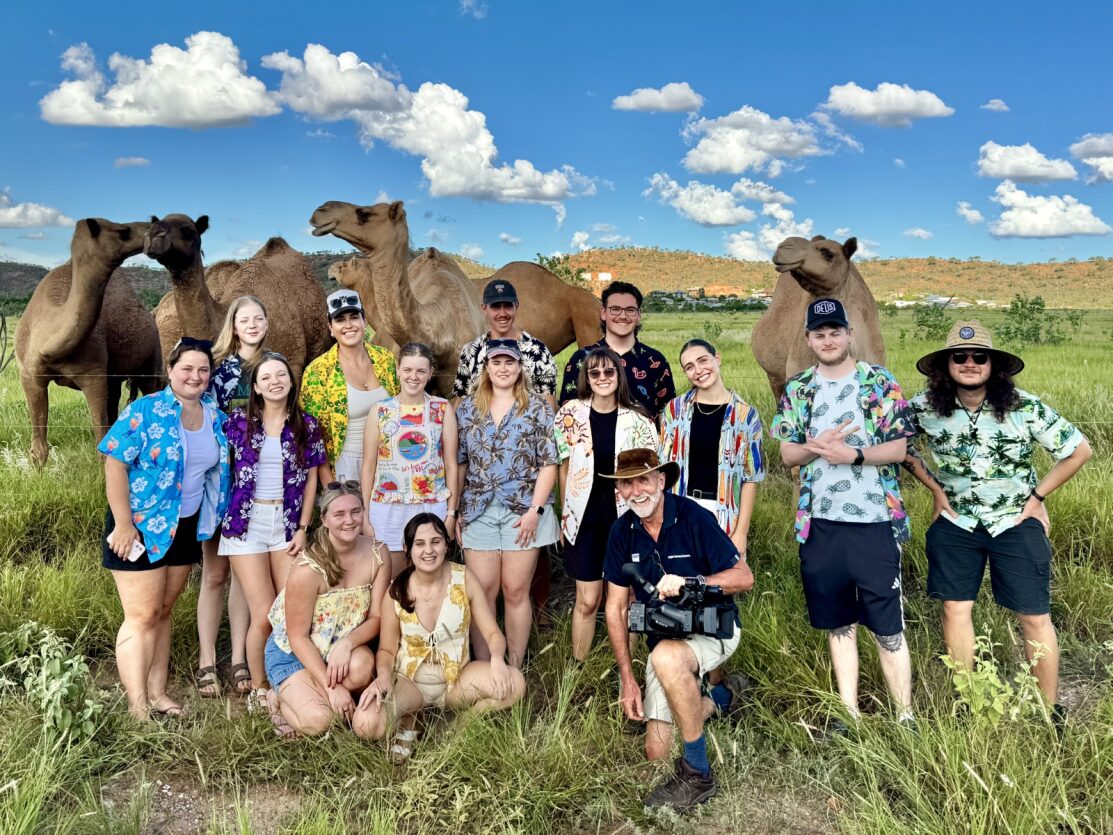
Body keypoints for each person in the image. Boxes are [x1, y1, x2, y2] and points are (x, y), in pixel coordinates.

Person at [903, 321, 1091, 713]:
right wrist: (934, 488)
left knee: (1034, 616)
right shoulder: (923, 408)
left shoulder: (1024, 406)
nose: (969, 363)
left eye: (979, 357)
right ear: (945, 365)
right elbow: (896, 445)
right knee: (955, 609)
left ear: (994, 365)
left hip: (1015, 522)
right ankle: (968, 701)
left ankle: (1049, 709)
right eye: (960, 356)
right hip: (956, 522)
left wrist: (1038, 496)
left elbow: (1078, 450)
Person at [770, 298, 916, 732]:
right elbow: (787, 455)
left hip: (874, 519)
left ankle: (904, 714)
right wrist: (817, 445)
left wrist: (850, 453)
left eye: (836, 331)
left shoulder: (879, 382)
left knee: (887, 623)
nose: (828, 339)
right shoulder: (798, 389)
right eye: (820, 333)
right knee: (838, 622)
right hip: (820, 521)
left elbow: (898, 448)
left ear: (849, 335)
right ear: (809, 339)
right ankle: (848, 712)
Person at [603, 449, 753, 813]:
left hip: (713, 629)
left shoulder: (694, 518)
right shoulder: (622, 531)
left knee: (666, 658)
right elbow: (616, 607)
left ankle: (697, 773)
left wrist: (692, 582)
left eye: (643, 479)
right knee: (656, 752)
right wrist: (627, 678)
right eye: (626, 483)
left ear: (661, 480)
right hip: (665, 638)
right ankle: (722, 697)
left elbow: (743, 577)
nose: (636, 490)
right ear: (619, 490)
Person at [99, 337, 230, 719]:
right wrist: (123, 523)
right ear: (171, 370)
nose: (195, 376)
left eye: (203, 370)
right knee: (141, 616)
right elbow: (114, 464)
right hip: (139, 526)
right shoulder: (145, 410)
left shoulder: (214, 415)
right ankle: (137, 706)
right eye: (187, 368)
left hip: (185, 525)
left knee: (164, 611)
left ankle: (157, 692)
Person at [356, 514, 526, 763]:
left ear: (447, 545)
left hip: (456, 679)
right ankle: (412, 717)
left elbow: (492, 633)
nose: (429, 550)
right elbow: (386, 651)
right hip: (410, 682)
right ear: (407, 549)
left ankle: (458, 725)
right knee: (365, 724)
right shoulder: (396, 590)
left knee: (516, 683)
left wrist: (498, 659)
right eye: (420, 544)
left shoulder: (464, 578)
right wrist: (382, 679)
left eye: (436, 541)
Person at [220, 352, 327, 710]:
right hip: (244, 526)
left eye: (281, 375)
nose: (274, 381)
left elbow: (312, 479)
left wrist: (303, 528)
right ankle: (259, 688)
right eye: (266, 377)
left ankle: (288, 680)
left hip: (286, 524)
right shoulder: (237, 422)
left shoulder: (306, 425)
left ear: (291, 381)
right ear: (256, 387)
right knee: (264, 611)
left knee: (289, 609)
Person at [456, 339, 559, 667]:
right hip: (478, 510)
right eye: (496, 362)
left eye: (509, 363)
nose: (503, 368)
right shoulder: (469, 409)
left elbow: (549, 462)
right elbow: (460, 462)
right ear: (486, 367)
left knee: (515, 590)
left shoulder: (538, 407)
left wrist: (535, 512)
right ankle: (487, 666)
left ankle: (514, 665)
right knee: (483, 591)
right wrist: (456, 510)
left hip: (523, 511)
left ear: (519, 368)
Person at [554, 346, 657, 661]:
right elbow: (564, 466)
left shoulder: (638, 420)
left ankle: (630, 665)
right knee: (587, 600)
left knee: (625, 599)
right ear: (586, 377)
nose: (601, 378)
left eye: (608, 372)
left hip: (626, 519)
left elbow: (651, 474)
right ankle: (580, 667)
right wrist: (564, 516)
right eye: (594, 372)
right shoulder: (569, 415)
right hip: (583, 519)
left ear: (618, 376)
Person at [264, 482, 390, 737]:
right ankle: (277, 698)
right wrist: (333, 689)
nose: (349, 520)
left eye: (355, 512)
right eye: (339, 514)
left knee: (363, 665)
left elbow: (377, 617)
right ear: (324, 520)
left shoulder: (378, 553)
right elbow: (297, 637)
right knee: (321, 722)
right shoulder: (307, 569)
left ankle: (314, 695)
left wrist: (346, 644)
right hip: (295, 652)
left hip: (339, 648)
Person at [196, 295, 269, 697]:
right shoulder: (218, 368)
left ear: (266, 322)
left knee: (243, 575)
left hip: (262, 484)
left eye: (259, 317)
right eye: (245, 319)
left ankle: (240, 656)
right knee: (214, 574)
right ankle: (207, 659)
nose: (253, 324)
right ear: (234, 325)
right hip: (222, 481)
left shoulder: (275, 365)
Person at [361, 342, 460, 578]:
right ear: (397, 369)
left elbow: (451, 465)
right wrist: (365, 515)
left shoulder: (442, 409)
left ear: (430, 373)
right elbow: (368, 466)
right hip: (388, 507)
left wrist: (451, 514)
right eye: (407, 370)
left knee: (428, 574)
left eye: (420, 371)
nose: (413, 377)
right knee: (391, 578)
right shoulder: (381, 411)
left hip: (430, 504)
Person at [660, 338, 764, 556]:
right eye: (689, 367)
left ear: (717, 359)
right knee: (680, 582)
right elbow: (663, 467)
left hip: (723, 512)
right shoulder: (675, 410)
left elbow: (751, 478)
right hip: (681, 508)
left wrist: (741, 533)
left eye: (703, 360)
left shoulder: (746, 416)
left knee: (721, 584)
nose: (698, 370)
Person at [299, 289, 399, 483]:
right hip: (346, 465)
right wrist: (331, 487)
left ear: (365, 321)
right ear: (330, 327)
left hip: (389, 459)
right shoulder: (318, 372)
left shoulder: (386, 360)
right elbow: (313, 437)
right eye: (340, 320)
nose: (348, 325)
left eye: (354, 317)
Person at [559, 281, 675, 421]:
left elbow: (669, 417)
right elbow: (568, 415)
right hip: (592, 442)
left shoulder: (656, 361)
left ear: (639, 315)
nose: (623, 316)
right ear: (603, 313)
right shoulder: (581, 359)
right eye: (615, 309)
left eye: (630, 310)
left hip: (645, 442)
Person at [451, 278, 558, 407]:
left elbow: (549, 406)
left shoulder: (538, 351)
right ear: (484, 309)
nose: (502, 313)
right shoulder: (471, 350)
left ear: (516, 306)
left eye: (507, 306)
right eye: (495, 306)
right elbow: (461, 400)